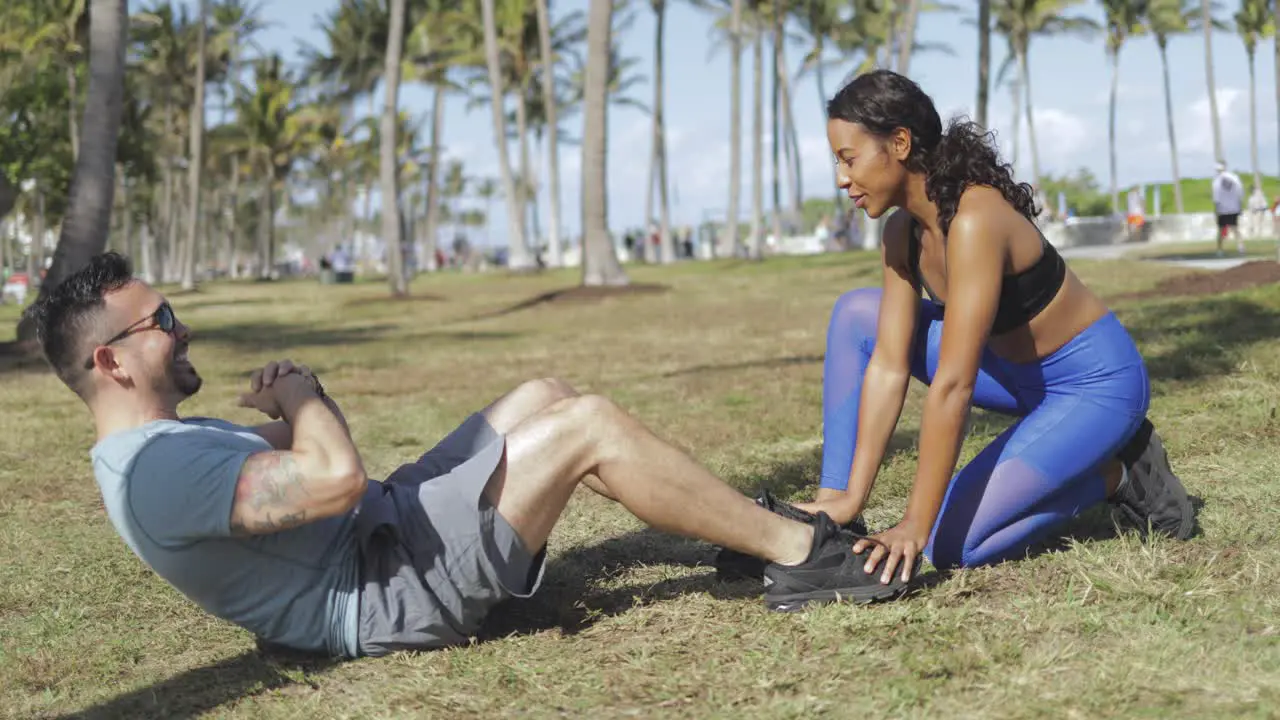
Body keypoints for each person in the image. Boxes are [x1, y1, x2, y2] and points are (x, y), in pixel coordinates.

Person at [23, 253, 908, 660]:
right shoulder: (154, 472)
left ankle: (743, 532)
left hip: (388, 530)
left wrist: (295, 406)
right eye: (163, 321)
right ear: (110, 360)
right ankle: (800, 555)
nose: (184, 330)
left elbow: (295, 458)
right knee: (589, 422)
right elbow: (327, 476)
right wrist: (303, 394)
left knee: (545, 395)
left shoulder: (166, 446)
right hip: (385, 590)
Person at [742, 70, 1196, 587]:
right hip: (1012, 373)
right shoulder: (901, 232)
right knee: (855, 316)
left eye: (849, 159)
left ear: (900, 143)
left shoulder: (975, 219)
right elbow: (889, 363)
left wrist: (915, 524)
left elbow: (953, 387)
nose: (842, 178)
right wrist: (850, 497)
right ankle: (832, 508)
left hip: (1093, 387)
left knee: (949, 544)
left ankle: (1120, 473)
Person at [1212, 162, 1245, 256]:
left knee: (1221, 230)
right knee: (1235, 228)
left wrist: (1216, 210)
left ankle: (1220, 249)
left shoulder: (1216, 181)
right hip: (1233, 207)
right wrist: (1239, 206)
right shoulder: (1234, 178)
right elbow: (1240, 193)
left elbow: (1216, 198)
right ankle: (1241, 246)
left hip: (1223, 208)